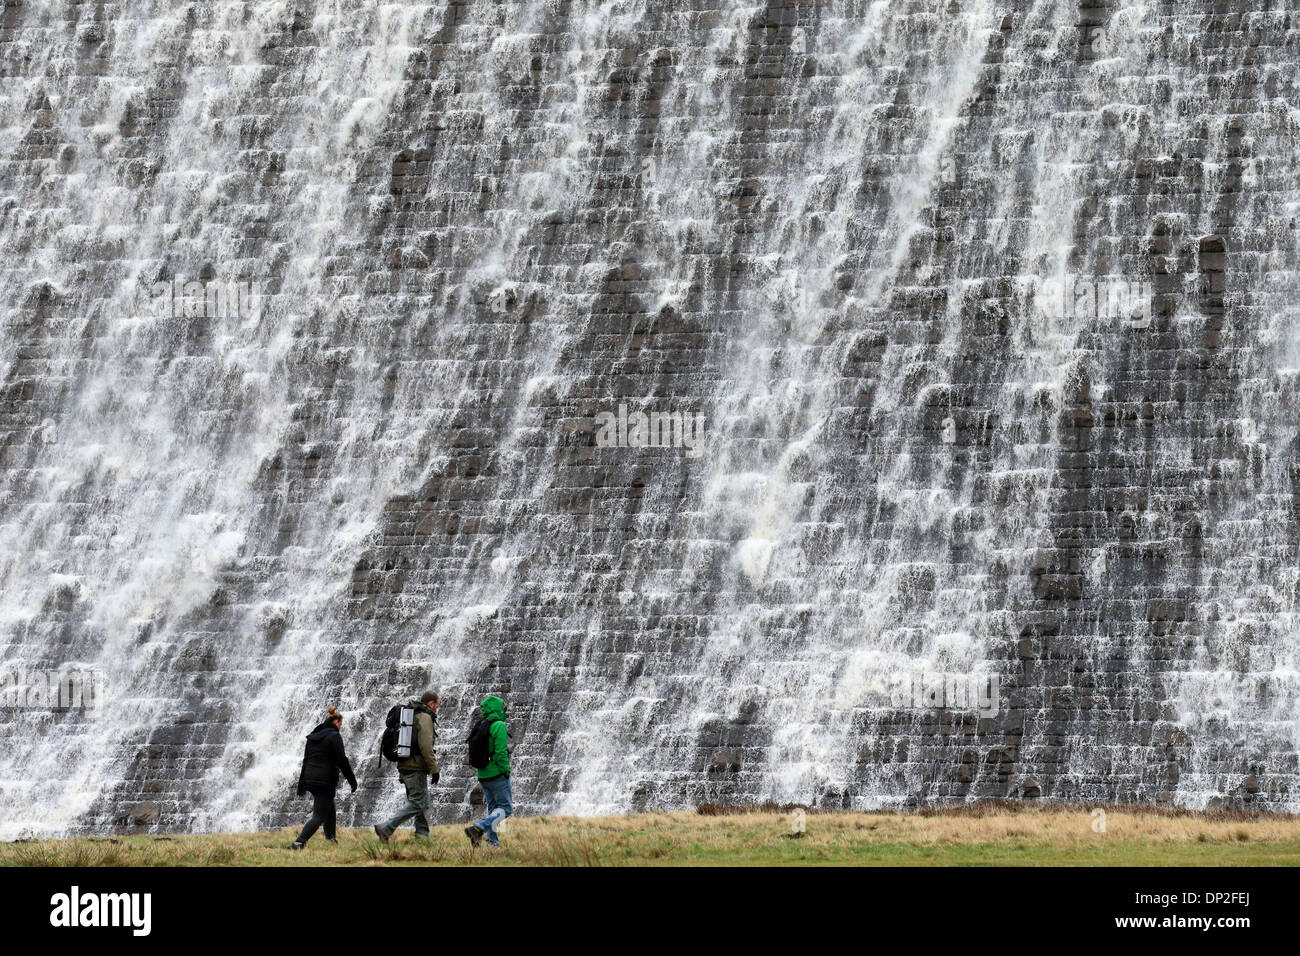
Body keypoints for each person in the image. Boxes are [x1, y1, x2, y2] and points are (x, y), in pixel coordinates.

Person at [374, 690, 440, 842]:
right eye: (437, 705)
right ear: (431, 704)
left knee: (418, 801)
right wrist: (434, 769)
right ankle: (386, 828)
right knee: (420, 802)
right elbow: (425, 746)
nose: (437, 708)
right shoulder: (424, 717)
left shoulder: (412, 715)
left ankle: (422, 837)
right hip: (415, 767)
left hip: (405, 765)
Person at [290, 705, 356, 850]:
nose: (340, 727)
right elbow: (342, 760)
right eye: (341, 724)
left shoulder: (313, 736)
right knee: (319, 815)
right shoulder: (334, 736)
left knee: (329, 807)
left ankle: (330, 839)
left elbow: (306, 759)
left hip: (310, 778)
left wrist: (302, 783)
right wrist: (352, 780)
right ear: (337, 722)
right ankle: (299, 842)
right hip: (325, 780)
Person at [464, 695, 511, 848]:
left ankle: (492, 842)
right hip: (496, 773)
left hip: (483, 774)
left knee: (493, 809)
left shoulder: (481, 724)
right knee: (505, 808)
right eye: (504, 708)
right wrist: (506, 771)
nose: (505, 711)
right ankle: (478, 828)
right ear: (498, 709)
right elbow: (501, 753)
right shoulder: (499, 725)